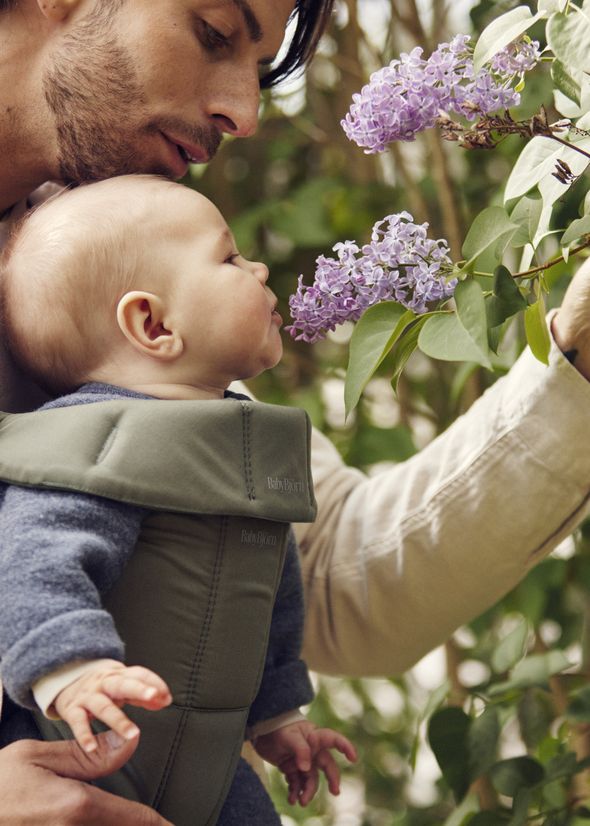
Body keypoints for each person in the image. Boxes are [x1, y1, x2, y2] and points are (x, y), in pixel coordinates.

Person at [2, 0, 590, 822]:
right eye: (212, 32)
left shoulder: (127, 277)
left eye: (261, 67)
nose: (243, 114)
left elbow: (329, 576)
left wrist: (573, 360)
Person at [0, 174, 357, 824]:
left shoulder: (242, 444)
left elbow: (268, 601)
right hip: (84, 747)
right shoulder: (96, 446)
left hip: (215, 771)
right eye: (229, 259)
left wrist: (277, 717)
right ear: (154, 323)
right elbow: (30, 563)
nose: (259, 268)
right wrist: (73, 670)